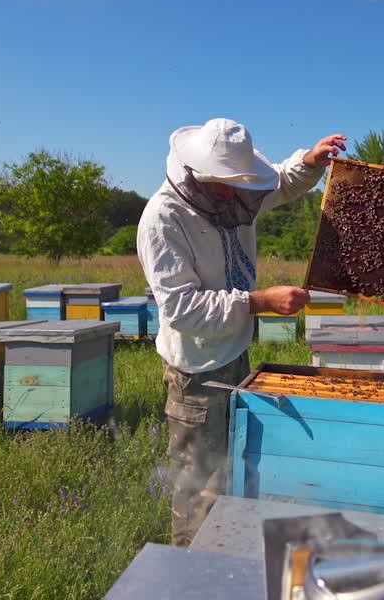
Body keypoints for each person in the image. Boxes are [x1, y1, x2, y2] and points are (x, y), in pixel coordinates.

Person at [137, 117, 346, 545]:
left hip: (235, 354)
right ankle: (193, 571)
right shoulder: (163, 219)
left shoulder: (232, 194)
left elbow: (280, 183)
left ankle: (228, 556)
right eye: (223, 183)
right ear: (195, 172)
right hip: (196, 368)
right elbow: (181, 309)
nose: (233, 192)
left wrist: (309, 161)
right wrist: (258, 302)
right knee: (200, 486)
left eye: (238, 182)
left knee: (234, 468)